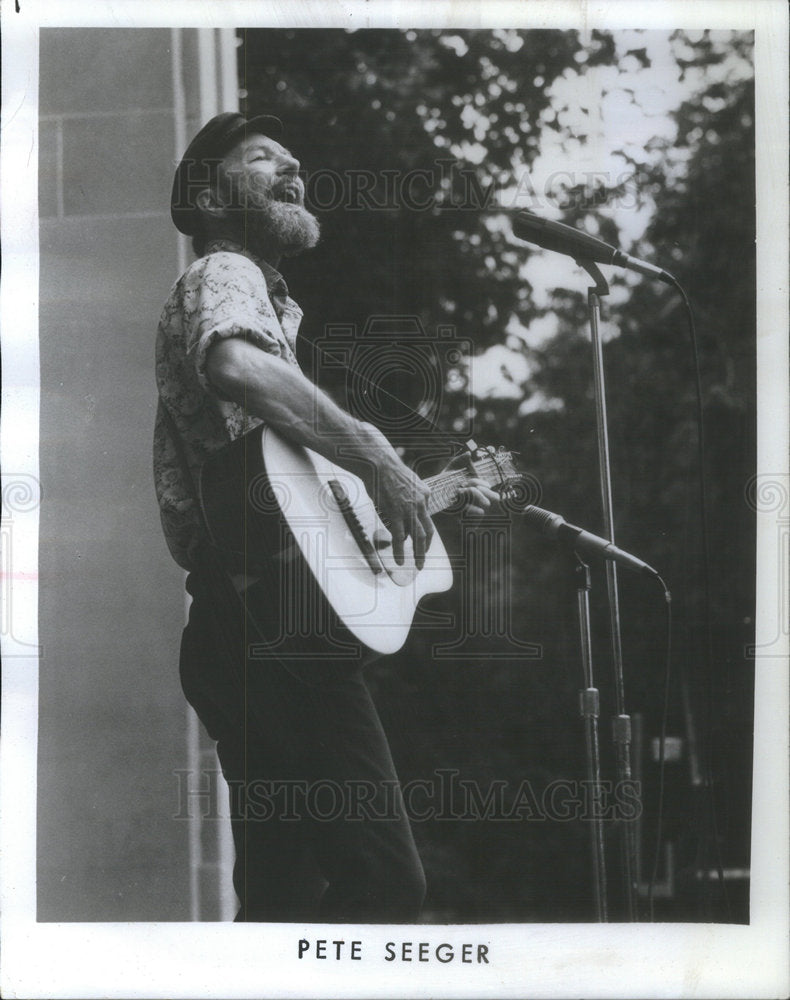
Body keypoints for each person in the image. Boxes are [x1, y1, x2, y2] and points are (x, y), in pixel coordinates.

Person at [154, 112, 495, 922]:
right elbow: (234, 363)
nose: (293, 164)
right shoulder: (224, 271)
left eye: (295, 158)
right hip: (277, 627)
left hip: (244, 622)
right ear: (209, 195)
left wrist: (435, 492)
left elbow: (312, 523)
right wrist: (380, 456)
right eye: (264, 156)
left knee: (279, 897)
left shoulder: (275, 315)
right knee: (385, 883)